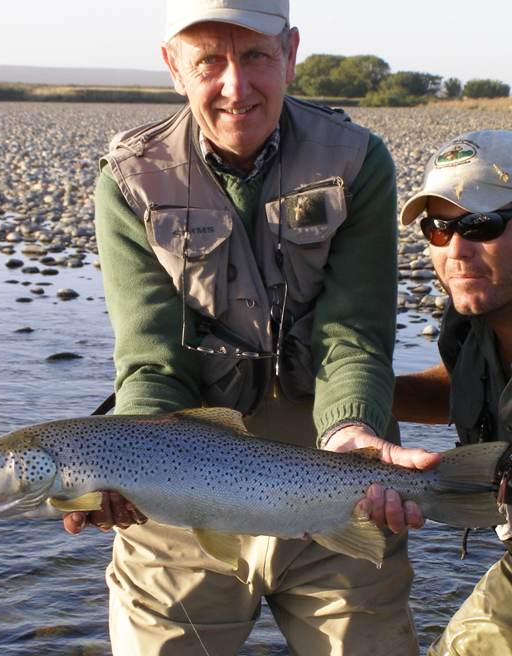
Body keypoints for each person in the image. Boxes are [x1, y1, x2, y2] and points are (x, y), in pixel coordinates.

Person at [65, 1, 437, 653]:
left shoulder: (357, 162)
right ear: (173, 66)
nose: (235, 86)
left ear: (291, 54)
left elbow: (353, 334)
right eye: (209, 59)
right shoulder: (130, 180)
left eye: (256, 56)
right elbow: (151, 360)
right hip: (182, 468)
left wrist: (351, 430)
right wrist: (132, 463)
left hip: (327, 462)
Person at [395, 129, 512, 655]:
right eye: (438, 228)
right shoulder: (475, 319)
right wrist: (338, 398)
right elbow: (466, 388)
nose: (456, 251)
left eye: (480, 225)